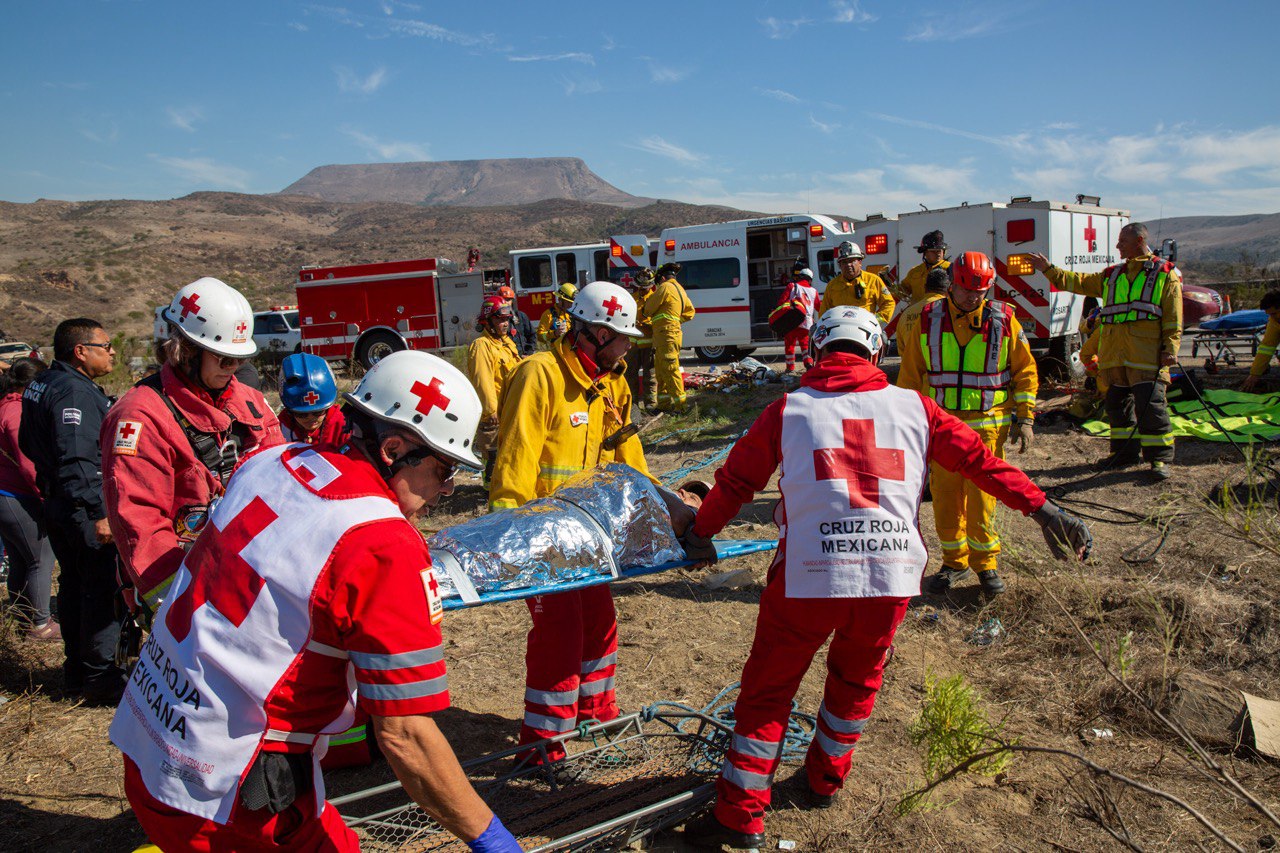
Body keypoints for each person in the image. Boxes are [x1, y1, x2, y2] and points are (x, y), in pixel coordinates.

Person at [678, 306, 1091, 850]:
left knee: (767, 694)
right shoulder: (915, 407)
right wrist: (1043, 509)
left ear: (819, 349)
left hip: (808, 577)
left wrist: (698, 532)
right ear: (875, 354)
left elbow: (735, 484)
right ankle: (825, 778)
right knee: (855, 683)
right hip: (890, 574)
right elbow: (979, 462)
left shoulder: (790, 408)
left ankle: (739, 818)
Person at [110, 350, 522, 853]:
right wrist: (493, 840)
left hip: (150, 736)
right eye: (443, 469)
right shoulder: (382, 542)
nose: (448, 488)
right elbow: (406, 735)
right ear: (393, 449)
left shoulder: (267, 461)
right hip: (229, 793)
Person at [489, 281, 651, 773]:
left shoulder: (606, 381)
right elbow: (514, 460)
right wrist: (511, 540)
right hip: (541, 537)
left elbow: (626, 454)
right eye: (622, 337)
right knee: (560, 635)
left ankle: (597, 715)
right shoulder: (539, 375)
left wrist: (656, 508)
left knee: (599, 623)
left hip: (589, 535)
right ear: (595, 333)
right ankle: (542, 745)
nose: (628, 347)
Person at [102, 277, 283, 617]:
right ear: (185, 350)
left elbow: (281, 480)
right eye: (223, 361)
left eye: (238, 361)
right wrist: (179, 606)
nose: (233, 370)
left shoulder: (251, 403)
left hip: (251, 577)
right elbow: (139, 521)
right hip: (184, 581)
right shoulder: (141, 416)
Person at [897, 252, 1039, 595]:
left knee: (983, 498)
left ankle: (986, 565)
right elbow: (911, 375)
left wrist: (1026, 419)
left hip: (987, 430)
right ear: (952, 285)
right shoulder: (928, 319)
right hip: (943, 430)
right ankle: (954, 562)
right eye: (966, 289)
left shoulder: (1005, 321)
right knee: (945, 498)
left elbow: (1025, 371)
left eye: (981, 290)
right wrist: (902, 424)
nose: (974, 296)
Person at [19, 318, 126, 703]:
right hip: (81, 509)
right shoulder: (73, 393)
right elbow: (79, 459)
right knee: (98, 590)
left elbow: (28, 443)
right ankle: (99, 678)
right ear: (81, 351)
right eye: (105, 344)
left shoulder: (42, 383)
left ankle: (77, 672)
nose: (112, 351)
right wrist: (99, 512)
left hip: (58, 502)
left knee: (74, 587)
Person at [1027, 223, 1182, 480]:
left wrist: (1170, 349)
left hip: (1146, 355)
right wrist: (1049, 270)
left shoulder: (1164, 274)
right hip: (1115, 358)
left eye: (1123, 240)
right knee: (1117, 408)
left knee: (1151, 407)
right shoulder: (1113, 275)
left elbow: (1173, 318)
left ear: (1140, 240)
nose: (1118, 245)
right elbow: (1079, 282)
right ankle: (1123, 454)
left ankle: (1159, 460)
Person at [0, 357, 58, 640]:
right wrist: (45, 494)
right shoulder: (15, 412)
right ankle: (40, 624)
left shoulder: (6, 406)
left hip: (7, 494)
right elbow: (27, 462)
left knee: (21, 560)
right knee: (41, 558)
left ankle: (22, 616)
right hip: (15, 494)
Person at [468, 297, 522, 484]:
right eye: (500, 319)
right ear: (488, 321)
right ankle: (490, 490)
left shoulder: (507, 344)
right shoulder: (482, 345)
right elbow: (483, 380)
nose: (505, 324)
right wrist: (491, 411)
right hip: (495, 414)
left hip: (511, 409)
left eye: (507, 319)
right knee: (493, 454)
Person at [643, 263, 696, 412]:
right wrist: (676, 321)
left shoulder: (665, 287)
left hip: (666, 335)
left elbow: (648, 309)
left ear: (662, 278)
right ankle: (664, 405)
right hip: (668, 335)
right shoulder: (680, 289)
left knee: (670, 369)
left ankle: (682, 407)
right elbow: (690, 312)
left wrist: (669, 322)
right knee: (661, 371)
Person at [818, 241, 896, 326]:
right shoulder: (832, 285)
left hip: (866, 330)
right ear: (839, 265)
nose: (848, 265)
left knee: (883, 339)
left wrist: (874, 320)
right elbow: (823, 313)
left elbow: (888, 303)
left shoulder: (873, 280)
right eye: (844, 262)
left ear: (860, 262)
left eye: (852, 261)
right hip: (840, 332)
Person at [277, 352, 347, 446]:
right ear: (289, 411)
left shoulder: (343, 425)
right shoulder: (281, 428)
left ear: (327, 408)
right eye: (301, 414)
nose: (311, 418)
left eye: (318, 412)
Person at [888, 266, 950, 342]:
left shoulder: (905, 315)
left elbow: (901, 347)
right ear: (949, 289)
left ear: (925, 287)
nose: (938, 254)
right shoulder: (952, 311)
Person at [626, 269, 658, 411]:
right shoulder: (631, 298)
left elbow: (659, 319)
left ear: (651, 285)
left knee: (649, 376)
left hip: (649, 343)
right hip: (632, 344)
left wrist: (648, 324)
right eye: (640, 287)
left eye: (645, 287)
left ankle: (650, 405)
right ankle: (632, 405)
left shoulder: (656, 298)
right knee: (630, 375)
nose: (642, 290)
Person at [778, 268, 820, 373]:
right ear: (810, 280)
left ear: (799, 277)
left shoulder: (792, 286)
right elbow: (819, 307)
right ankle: (808, 363)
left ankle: (790, 368)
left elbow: (781, 303)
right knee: (805, 344)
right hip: (807, 322)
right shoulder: (814, 291)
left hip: (791, 321)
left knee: (790, 345)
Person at [1242, 289, 1280, 393]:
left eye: (1275, 313)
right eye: (1270, 315)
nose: (1273, 317)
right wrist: (1254, 374)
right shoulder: (1274, 322)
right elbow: (1266, 348)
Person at [898, 230, 951, 304]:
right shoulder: (915, 271)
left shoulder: (952, 269)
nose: (938, 254)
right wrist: (888, 284)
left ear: (944, 251)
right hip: (918, 313)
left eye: (939, 251)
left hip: (941, 313)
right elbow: (901, 293)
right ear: (925, 252)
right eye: (933, 251)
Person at [498, 285, 537, 356]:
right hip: (508, 359)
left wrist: (529, 353)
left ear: (512, 301)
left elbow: (532, 335)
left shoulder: (521, 316)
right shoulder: (496, 320)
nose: (506, 303)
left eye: (508, 300)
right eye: (503, 300)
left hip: (525, 357)